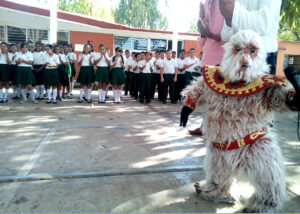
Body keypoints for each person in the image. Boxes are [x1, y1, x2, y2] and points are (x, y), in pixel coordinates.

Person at [180, 30, 297, 213]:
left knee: (267, 176)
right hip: (218, 146)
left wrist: (293, 99)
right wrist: (189, 105)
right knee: (217, 174)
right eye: (238, 49)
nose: (244, 58)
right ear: (228, 52)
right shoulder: (213, 77)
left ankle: (267, 203)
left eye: (252, 51)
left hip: (252, 144)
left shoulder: (265, 85)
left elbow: (280, 100)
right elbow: (197, 90)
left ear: (261, 55)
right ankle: (218, 191)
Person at [189, 0, 226, 136]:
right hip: (207, 62)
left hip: (223, 61)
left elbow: (229, 37)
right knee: (208, 98)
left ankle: (218, 130)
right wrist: (203, 32)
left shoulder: (228, 4)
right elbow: (201, 44)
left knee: (221, 100)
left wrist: (208, 34)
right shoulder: (207, 4)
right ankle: (205, 126)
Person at [219, 0, 282, 75]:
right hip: (235, 57)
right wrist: (229, 20)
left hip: (260, 57)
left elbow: (262, 24)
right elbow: (226, 36)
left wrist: (234, 13)